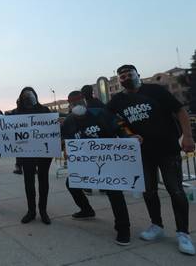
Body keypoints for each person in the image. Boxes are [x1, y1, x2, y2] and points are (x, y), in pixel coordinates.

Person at [107, 64, 195, 255]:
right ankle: (156, 225)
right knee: (149, 191)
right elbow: (110, 119)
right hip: (142, 154)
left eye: (128, 74)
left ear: (138, 74)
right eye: (121, 76)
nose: (125, 78)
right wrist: (126, 134)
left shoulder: (154, 90)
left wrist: (187, 136)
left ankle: (183, 233)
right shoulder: (118, 100)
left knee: (176, 191)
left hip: (168, 149)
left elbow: (180, 111)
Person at [62, 91, 131, 246]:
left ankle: (123, 228)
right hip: (85, 163)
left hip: (107, 161)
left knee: (114, 192)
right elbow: (66, 139)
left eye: (79, 102)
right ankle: (86, 209)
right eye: (73, 104)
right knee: (71, 183)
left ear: (85, 102)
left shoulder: (100, 114)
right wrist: (66, 150)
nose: (77, 106)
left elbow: (119, 128)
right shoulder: (69, 122)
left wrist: (129, 139)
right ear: (69, 106)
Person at [6, 87, 52, 224]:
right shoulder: (16, 112)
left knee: (44, 181)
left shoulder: (44, 110)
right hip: (27, 154)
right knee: (29, 182)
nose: (28, 98)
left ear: (35, 96)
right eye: (25, 96)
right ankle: (31, 211)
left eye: (30, 95)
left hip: (44, 153)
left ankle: (43, 211)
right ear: (21, 97)